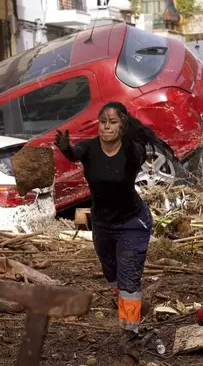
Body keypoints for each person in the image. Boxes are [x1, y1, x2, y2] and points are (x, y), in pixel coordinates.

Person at [54, 101, 168, 364]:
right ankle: (134, 306)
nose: (106, 126)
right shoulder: (89, 148)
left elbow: (120, 169)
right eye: (102, 121)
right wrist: (64, 148)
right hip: (103, 224)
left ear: (122, 124)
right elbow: (73, 153)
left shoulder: (133, 152)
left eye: (113, 121)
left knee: (128, 281)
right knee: (112, 276)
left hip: (132, 223)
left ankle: (130, 338)